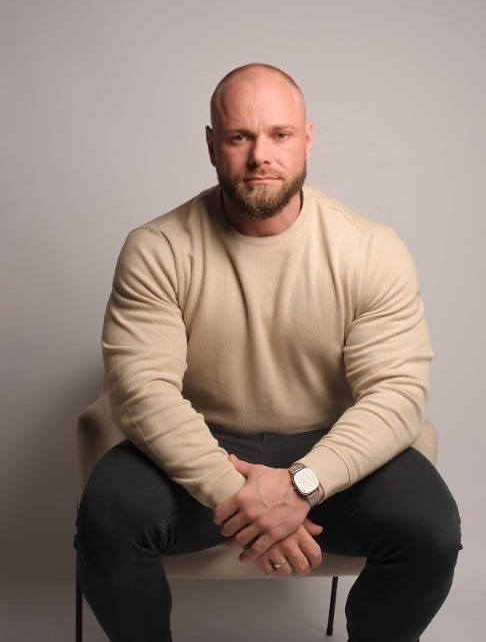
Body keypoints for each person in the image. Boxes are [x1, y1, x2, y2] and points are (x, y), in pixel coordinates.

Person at [75, 63, 461, 642]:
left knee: (430, 529)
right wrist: (243, 497)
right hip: (201, 454)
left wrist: (302, 485)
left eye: (280, 134)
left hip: (328, 453)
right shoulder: (157, 249)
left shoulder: (370, 250)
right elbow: (142, 394)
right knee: (107, 517)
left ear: (307, 139)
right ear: (212, 146)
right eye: (240, 137)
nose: (261, 156)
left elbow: (396, 395)